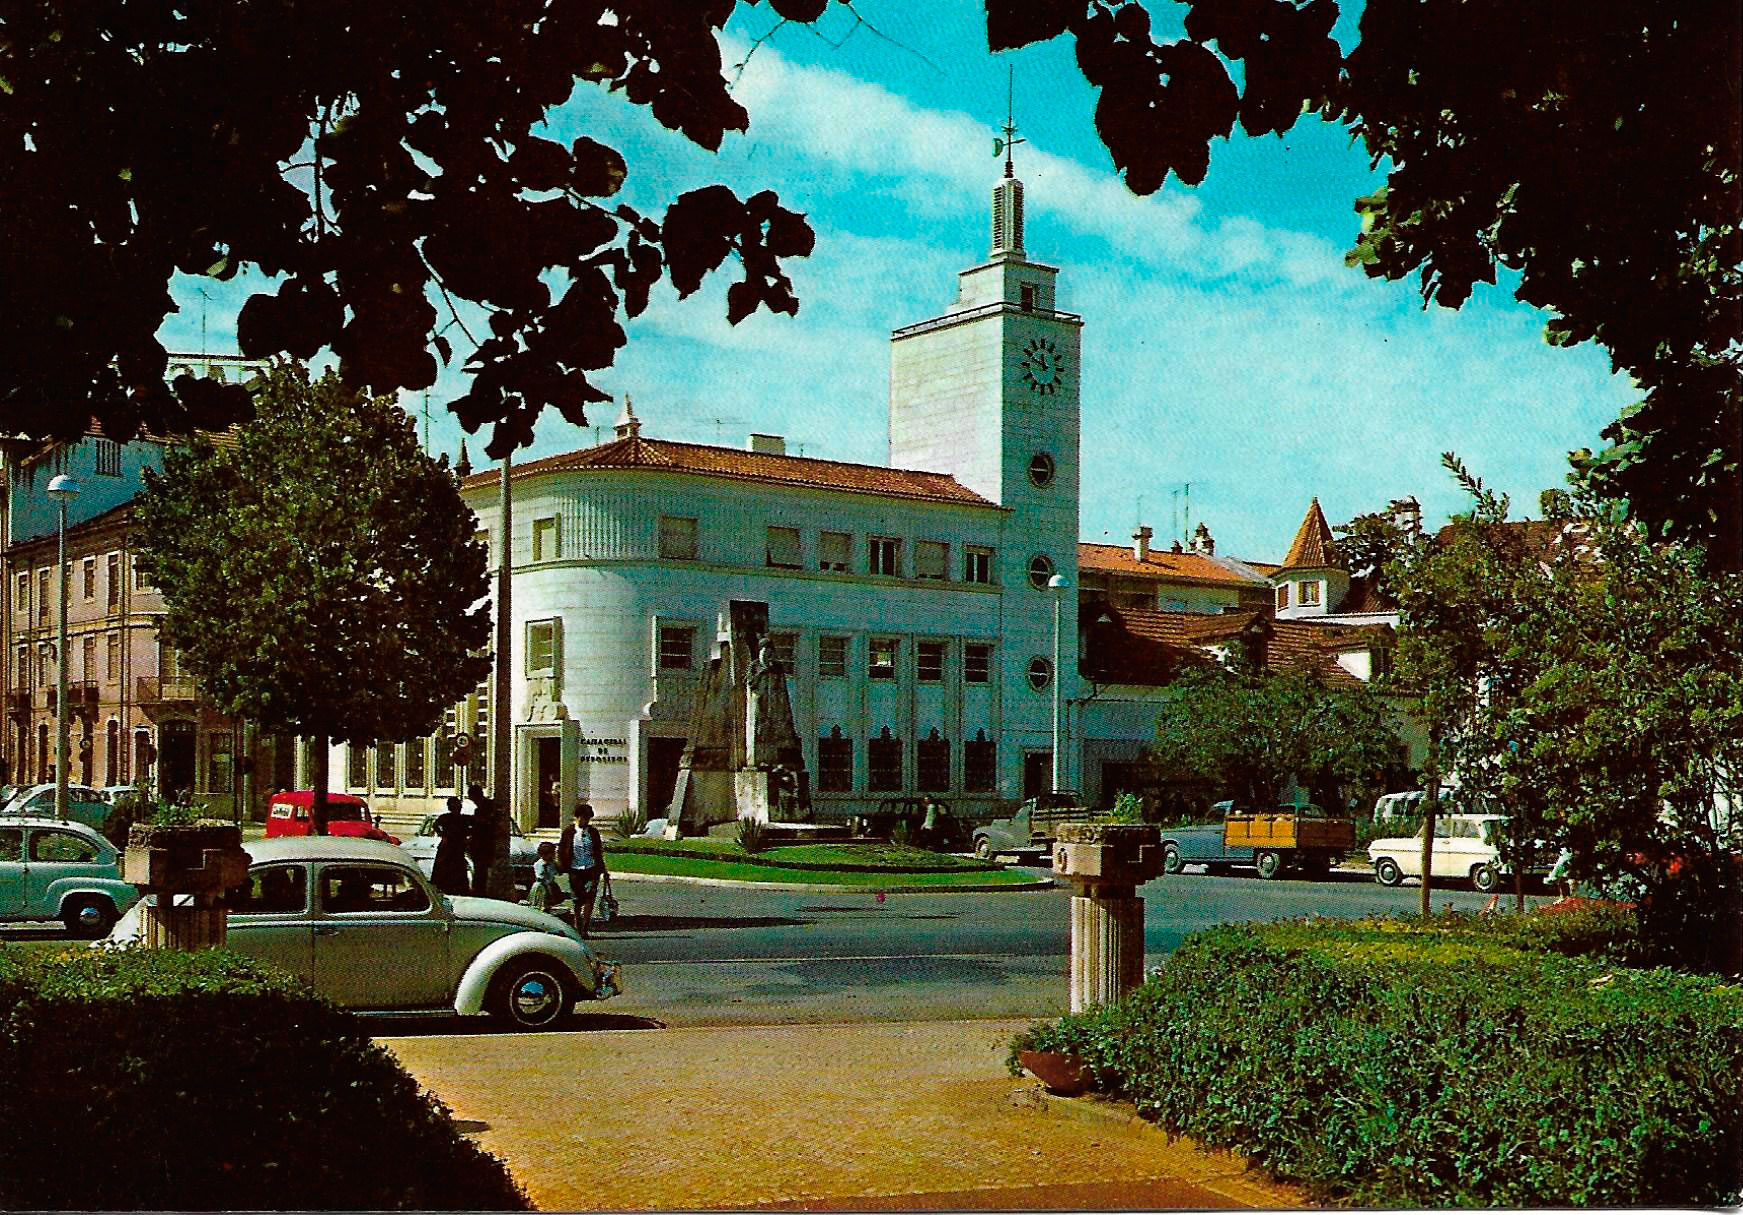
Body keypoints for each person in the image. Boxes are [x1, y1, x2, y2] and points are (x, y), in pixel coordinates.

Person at [557, 802, 608, 937]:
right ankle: (577, 924)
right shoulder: (569, 832)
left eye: (587, 818)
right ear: (577, 817)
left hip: (591, 869)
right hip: (575, 870)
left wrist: (603, 870)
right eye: (583, 818)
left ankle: (585, 927)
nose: (585, 821)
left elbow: (598, 851)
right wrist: (562, 865)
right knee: (577, 899)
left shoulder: (593, 832)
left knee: (590, 898)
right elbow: (562, 850)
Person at [430, 795, 471, 896]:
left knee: (458, 870)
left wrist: (468, 838)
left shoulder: (464, 819)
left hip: (457, 849)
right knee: (444, 870)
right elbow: (435, 825)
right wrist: (443, 835)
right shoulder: (445, 818)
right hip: (447, 848)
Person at [466, 783, 499, 896]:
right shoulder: (481, 808)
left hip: (484, 845)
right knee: (480, 870)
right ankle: (479, 889)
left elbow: (484, 826)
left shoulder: (486, 808)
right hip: (480, 845)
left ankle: (480, 891)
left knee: (481, 870)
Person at [527, 840, 563, 912]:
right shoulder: (539, 864)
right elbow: (542, 878)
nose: (554, 855)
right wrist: (549, 888)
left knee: (549, 904)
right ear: (543, 855)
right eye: (552, 853)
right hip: (542, 886)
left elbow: (559, 872)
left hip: (550, 884)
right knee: (540, 903)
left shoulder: (552, 863)